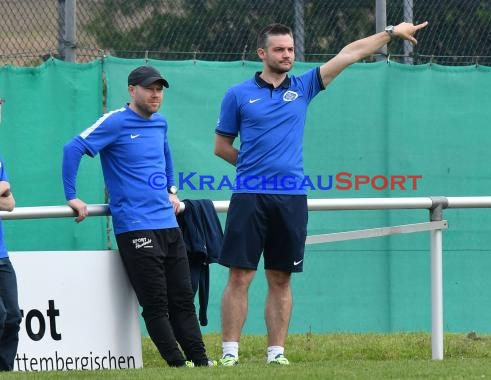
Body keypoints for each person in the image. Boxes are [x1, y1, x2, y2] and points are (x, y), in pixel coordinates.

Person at [214, 21, 428, 366]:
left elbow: (350, 53)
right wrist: (252, 167)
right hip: (249, 196)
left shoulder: (304, 86)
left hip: (292, 198)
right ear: (262, 53)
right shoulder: (237, 95)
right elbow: (221, 147)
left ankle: (276, 354)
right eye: (280, 50)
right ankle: (229, 354)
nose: (287, 55)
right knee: (240, 276)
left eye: (291, 50)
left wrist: (390, 32)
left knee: (280, 277)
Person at [62, 65, 215, 368]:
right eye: (149, 88)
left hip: (169, 226)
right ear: (132, 90)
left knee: (184, 300)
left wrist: (172, 190)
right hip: (135, 228)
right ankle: (176, 364)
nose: (155, 94)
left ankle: (201, 362)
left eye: (159, 89)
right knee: (156, 304)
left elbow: (166, 156)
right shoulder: (115, 122)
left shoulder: (160, 124)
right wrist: (72, 196)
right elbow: (73, 147)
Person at [0, 155, 21, 372]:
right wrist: (3, 185)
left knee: (13, 316)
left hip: (1, 254)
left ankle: (5, 372)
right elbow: (4, 190)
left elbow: (9, 203)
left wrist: (5, 186)